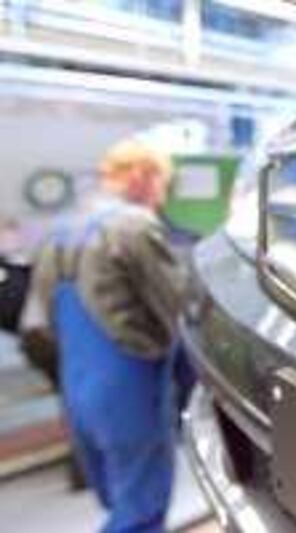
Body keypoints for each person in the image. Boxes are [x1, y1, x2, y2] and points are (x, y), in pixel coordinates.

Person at [20, 140, 185, 532]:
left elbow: (37, 322)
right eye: (163, 184)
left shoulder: (55, 232)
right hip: (129, 385)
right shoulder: (134, 225)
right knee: (141, 506)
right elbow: (177, 307)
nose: (160, 196)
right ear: (142, 176)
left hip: (78, 385)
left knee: (118, 494)